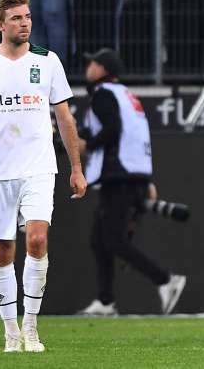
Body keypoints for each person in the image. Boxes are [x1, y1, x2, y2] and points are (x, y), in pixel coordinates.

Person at [0, 0, 87, 353]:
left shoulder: (48, 61)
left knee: (38, 240)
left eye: (27, 16)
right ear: (0, 25)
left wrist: (76, 167)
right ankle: (10, 332)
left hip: (39, 168)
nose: (25, 23)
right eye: (16, 18)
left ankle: (31, 326)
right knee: (2, 252)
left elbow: (65, 117)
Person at [76, 48, 186, 317]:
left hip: (119, 176)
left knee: (113, 240)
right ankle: (105, 302)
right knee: (99, 241)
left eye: (92, 63)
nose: (87, 68)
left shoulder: (103, 94)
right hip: (132, 174)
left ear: (102, 70)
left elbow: (111, 131)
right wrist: (146, 178)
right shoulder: (127, 96)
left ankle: (166, 280)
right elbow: (132, 135)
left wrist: (86, 143)